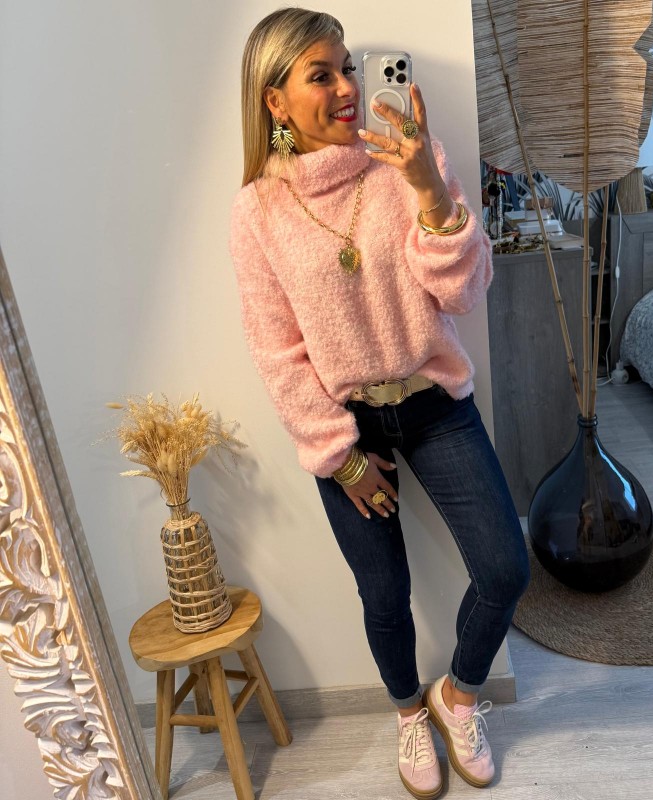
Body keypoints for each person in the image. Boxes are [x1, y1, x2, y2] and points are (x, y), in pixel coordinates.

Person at [228, 8, 530, 799]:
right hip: (346, 424)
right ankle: (406, 712)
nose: (347, 88)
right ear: (275, 102)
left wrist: (427, 186)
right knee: (384, 593)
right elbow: (276, 351)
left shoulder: (408, 157)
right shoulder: (257, 211)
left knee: (505, 567)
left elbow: (464, 292)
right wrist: (340, 456)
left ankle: (458, 696)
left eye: (348, 68)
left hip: (433, 402)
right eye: (320, 75)